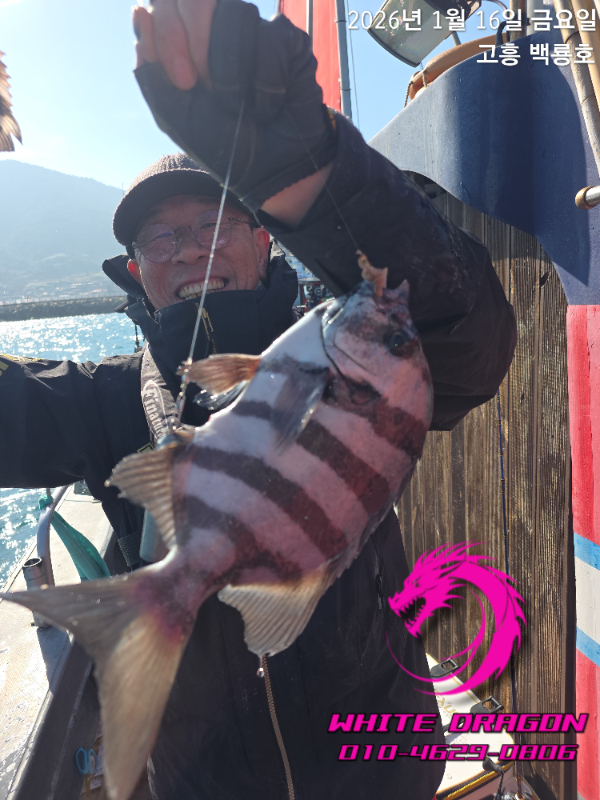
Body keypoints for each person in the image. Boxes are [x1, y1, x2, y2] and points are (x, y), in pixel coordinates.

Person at [0, 1, 517, 798]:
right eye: (161, 239)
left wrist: (317, 174)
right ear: (136, 271)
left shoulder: (360, 349)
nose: (189, 251)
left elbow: (468, 336)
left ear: (264, 236)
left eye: (215, 224)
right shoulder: (106, 402)